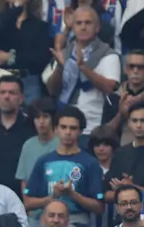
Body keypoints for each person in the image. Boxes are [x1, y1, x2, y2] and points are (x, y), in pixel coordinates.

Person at [43, 5, 119, 133]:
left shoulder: (108, 54)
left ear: (97, 27)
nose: (83, 27)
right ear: (73, 27)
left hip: (92, 126)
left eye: (88, 23)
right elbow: (52, 90)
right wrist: (61, 67)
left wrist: (84, 68)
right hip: (64, 125)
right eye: (78, 23)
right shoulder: (65, 52)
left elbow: (110, 88)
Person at [96, 49, 144, 144]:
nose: (135, 71)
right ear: (125, 70)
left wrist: (135, 112)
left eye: (140, 67)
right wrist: (121, 114)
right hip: (121, 151)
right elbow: (104, 135)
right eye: (131, 67)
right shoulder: (113, 97)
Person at [0, 75, 36, 193]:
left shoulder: (30, 123)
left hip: (21, 190)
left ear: (21, 98)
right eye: (2, 92)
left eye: (12, 93)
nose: (6, 96)